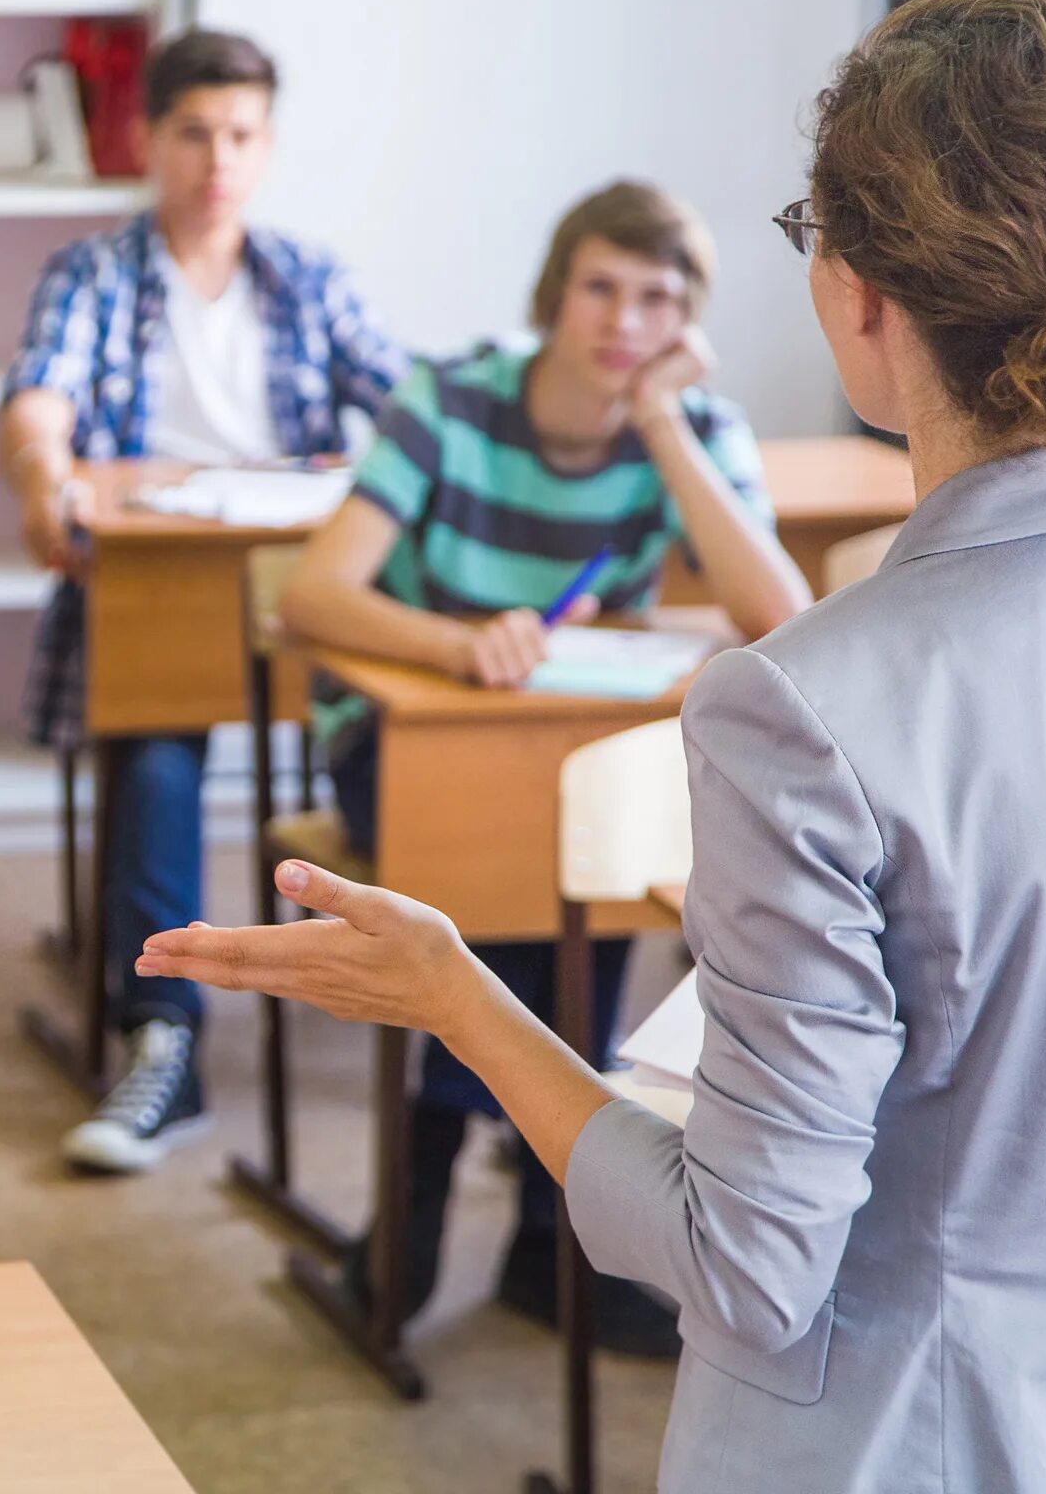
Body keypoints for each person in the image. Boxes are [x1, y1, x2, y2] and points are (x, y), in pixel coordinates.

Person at [139, 0, 1046, 1490]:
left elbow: (742, 1271)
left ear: (859, 295)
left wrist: (456, 998)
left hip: (904, 1443)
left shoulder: (804, 708)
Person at [279, 180, 810, 1352]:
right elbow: (318, 593)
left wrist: (663, 424)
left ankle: (430, 1206)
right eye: (602, 288)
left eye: (658, 301)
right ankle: (536, 1223)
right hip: (401, 741)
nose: (625, 322)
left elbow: (781, 613)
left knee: (569, 852)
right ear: (554, 295)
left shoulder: (695, 427)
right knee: (541, 868)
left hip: (561, 748)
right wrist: (457, 640)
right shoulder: (456, 399)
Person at [0, 26, 409, 1173]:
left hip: (303, 585)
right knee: (158, 755)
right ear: (149, 139)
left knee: (403, 723)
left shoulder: (307, 276)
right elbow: (41, 402)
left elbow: (413, 404)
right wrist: (46, 476)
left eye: (239, 134)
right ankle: (163, 1034)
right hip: (158, 580)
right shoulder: (96, 271)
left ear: (266, 145)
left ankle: (418, 989)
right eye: (192, 133)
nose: (216, 158)